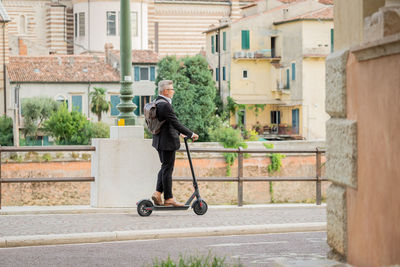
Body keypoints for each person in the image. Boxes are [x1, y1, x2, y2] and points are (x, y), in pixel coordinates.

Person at [151, 80, 199, 207]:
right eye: (172, 89)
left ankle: (157, 193)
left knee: (164, 167)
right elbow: (175, 122)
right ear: (165, 91)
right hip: (167, 143)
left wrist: (179, 133)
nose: (173, 92)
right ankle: (168, 198)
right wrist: (191, 133)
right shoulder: (165, 105)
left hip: (159, 141)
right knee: (168, 169)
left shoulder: (156, 102)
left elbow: (165, 124)